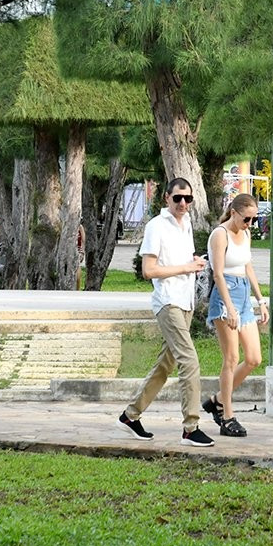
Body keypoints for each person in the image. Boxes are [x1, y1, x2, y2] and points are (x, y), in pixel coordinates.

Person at [119, 177, 215, 446]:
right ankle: (190, 427)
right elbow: (149, 270)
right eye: (177, 198)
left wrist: (193, 263)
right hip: (168, 302)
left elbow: (180, 263)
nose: (183, 203)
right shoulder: (156, 226)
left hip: (185, 303)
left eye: (188, 199)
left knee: (166, 365)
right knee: (190, 360)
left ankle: (130, 415)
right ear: (166, 198)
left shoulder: (185, 225)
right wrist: (186, 268)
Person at [204, 193, 266, 438]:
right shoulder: (220, 234)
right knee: (231, 358)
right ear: (233, 211)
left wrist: (260, 300)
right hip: (224, 295)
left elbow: (248, 266)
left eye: (253, 219)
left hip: (243, 294)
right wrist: (229, 307)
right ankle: (227, 416)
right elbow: (218, 274)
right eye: (246, 219)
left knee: (253, 358)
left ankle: (217, 400)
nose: (249, 224)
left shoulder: (246, 234)